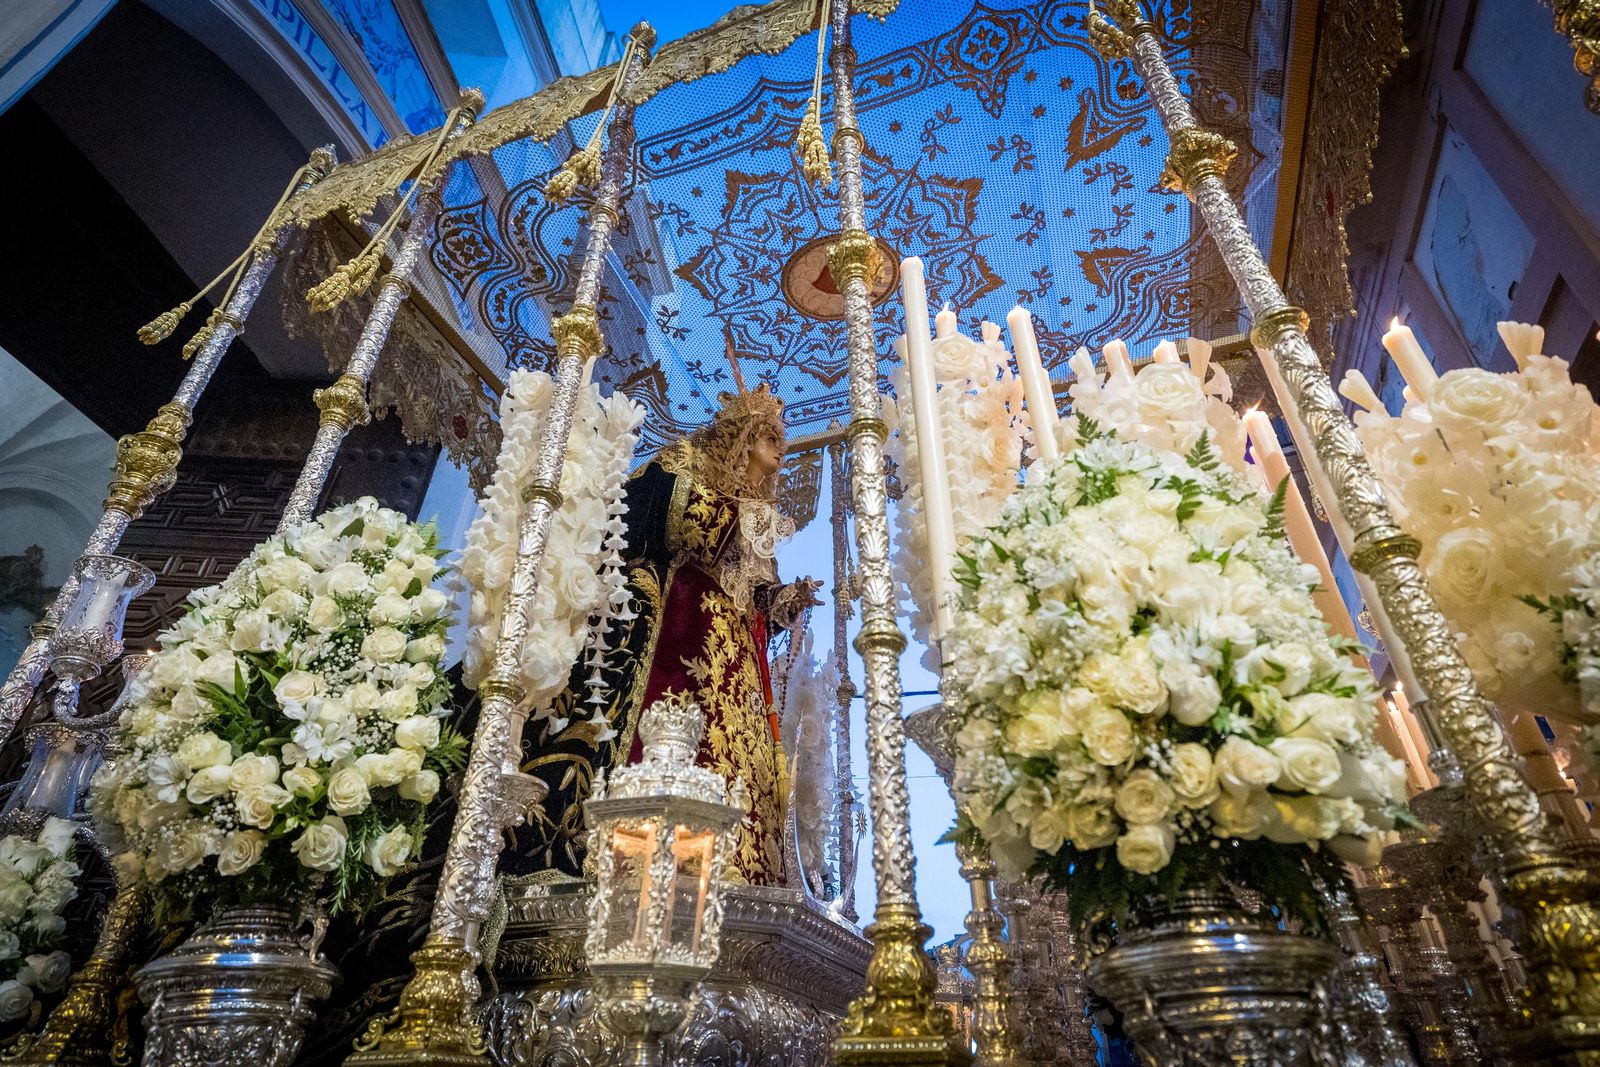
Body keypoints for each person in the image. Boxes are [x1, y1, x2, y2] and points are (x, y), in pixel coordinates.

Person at [506, 378, 821, 886]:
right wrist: (726, 516)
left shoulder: (758, 520)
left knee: (741, 764)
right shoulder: (685, 464)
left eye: (782, 442)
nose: (780, 452)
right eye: (769, 439)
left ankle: (740, 868)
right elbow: (643, 512)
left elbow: (756, 590)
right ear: (739, 438)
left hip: (736, 655)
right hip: (681, 631)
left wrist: (785, 602)